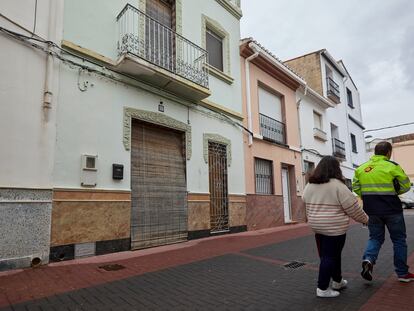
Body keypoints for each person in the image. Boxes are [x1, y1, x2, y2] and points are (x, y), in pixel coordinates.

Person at [303, 156, 368, 298]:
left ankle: (337, 281)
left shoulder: (310, 184)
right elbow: (353, 208)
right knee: (329, 257)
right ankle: (322, 288)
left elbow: (304, 200)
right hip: (334, 228)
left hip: (317, 226)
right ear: (336, 168)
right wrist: (365, 219)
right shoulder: (338, 186)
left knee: (331, 256)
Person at [353, 141, 414, 282]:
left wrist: (366, 197)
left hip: (371, 210)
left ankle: (368, 260)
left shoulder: (362, 168)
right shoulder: (392, 166)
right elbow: (406, 185)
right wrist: (395, 191)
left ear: (375, 152)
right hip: (392, 209)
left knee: (375, 238)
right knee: (399, 240)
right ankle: (402, 273)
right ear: (388, 152)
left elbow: (356, 186)